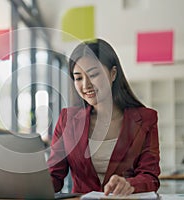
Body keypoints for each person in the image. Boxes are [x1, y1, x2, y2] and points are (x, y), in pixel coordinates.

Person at [47, 38, 160, 196]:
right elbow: (54, 177)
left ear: (113, 74)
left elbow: (150, 177)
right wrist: (26, 183)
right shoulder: (67, 120)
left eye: (93, 75)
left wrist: (130, 184)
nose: (86, 85)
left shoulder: (145, 119)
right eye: (79, 78)